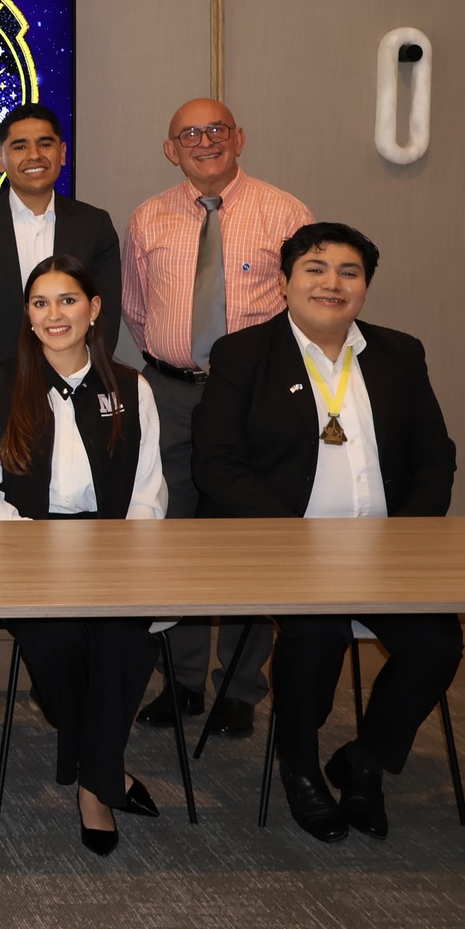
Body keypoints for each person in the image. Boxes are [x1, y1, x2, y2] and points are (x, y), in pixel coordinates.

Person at [193, 222, 460, 844]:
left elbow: (434, 455)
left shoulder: (400, 353)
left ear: (365, 286)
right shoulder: (242, 355)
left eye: (349, 272)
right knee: (315, 633)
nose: (332, 283)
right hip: (285, 546)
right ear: (284, 283)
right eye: (315, 269)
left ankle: (367, 760)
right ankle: (302, 765)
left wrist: (407, 536)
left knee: (437, 643)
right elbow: (217, 466)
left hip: (383, 551)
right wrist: (297, 537)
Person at [0, 254, 168, 855]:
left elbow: (150, 491)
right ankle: (104, 777)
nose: (55, 314)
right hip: (26, 550)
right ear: (27, 315)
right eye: (41, 302)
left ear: (94, 310)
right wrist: (33, 541)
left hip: (115, 553)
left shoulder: (132, 389)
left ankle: (92, 783)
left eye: (68, 300)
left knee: (125, 639)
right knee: (55, 640)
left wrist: (120, 551)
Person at [125, 97, 311, 738]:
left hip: (253, 395)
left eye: (216, 130)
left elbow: (306, 307)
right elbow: (135, 309)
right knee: (167, 530)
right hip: (169, 392)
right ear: (171, 149)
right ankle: (180, 681)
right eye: (188, 134)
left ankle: (239, 687)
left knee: (249, 534)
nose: (204, 141)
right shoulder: (148, 217)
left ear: (240, 137)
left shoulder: (286, 212)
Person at [0, 102, 121, 723]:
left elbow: (106, 315)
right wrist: (8, 386)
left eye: (45, 143)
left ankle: (55, 667)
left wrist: (59, 380)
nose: (32, 154)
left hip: (76, 396)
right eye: (18, 145)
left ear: (61, 153)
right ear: (0, 156)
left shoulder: (93, 224)